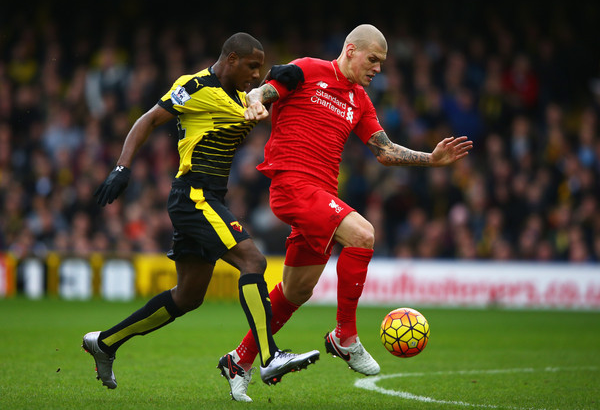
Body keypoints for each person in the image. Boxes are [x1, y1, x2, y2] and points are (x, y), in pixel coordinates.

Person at [219, 24, 473, 400]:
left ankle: (238, 360)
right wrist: (256, 98)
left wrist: (431, 160)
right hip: (292, 185)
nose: (378, 69)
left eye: (382, 63)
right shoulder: (308, 69)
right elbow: (267, 89)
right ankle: (345, 336)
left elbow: (384, 151)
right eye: (373, 60)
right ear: (351, 50)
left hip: (319, 197)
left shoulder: (360, 100)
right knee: (363, 234)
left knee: (296, 291)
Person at [81, 32, 319, 402]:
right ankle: (270, 355)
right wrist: (122, 167)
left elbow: (275, 91)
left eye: (260, 69)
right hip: (193, 195)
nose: (256, 75)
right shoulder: (192, 87)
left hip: (210, 197)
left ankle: (105, 343)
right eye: (252, 66)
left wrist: (286, 75)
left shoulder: (245, 97)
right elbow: (147, 120)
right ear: (231, 59)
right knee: (253, 260)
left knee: (188, 296)